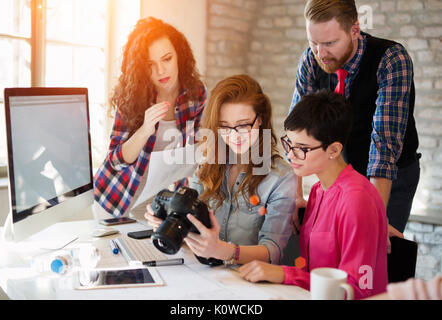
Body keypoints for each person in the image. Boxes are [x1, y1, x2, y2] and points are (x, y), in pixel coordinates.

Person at [290, 0, 420, 246]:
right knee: (335, 249)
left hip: (392, 175)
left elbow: (384, 147)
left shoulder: (391, 59)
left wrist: (375, 219)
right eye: (313, 42)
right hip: (341, 173)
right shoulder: (311, 60)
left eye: (330, 43)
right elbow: (298, 132)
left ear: (355, 30)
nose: (321, 53)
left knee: (372, 248)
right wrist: (295, 195)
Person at [239, 90, 388, 300]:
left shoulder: (357, 199)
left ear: (334, 150)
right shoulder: (318, 191)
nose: (290, 155)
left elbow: (357, 287)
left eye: (302, 148)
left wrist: (284, 274)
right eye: (289, 144)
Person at [145, 74, 296, 265]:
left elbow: (273, 252)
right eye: (224, 127)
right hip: (209, 275)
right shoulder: (208, 165)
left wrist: (224, 251)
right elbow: (195, 228)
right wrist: (171, 225)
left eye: (243, 125)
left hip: (251, 283)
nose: (234, 136)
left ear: (261, 119)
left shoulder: (281, 179)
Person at [93, 17, 207, 218]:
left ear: (179, 55)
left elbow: (192, 153)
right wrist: (145, 129)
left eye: (167, 58)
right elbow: (116, 161)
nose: (160, 70)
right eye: (150, 64)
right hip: (117, 200)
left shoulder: (196, 94)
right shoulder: (132, 95)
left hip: (159, 205)